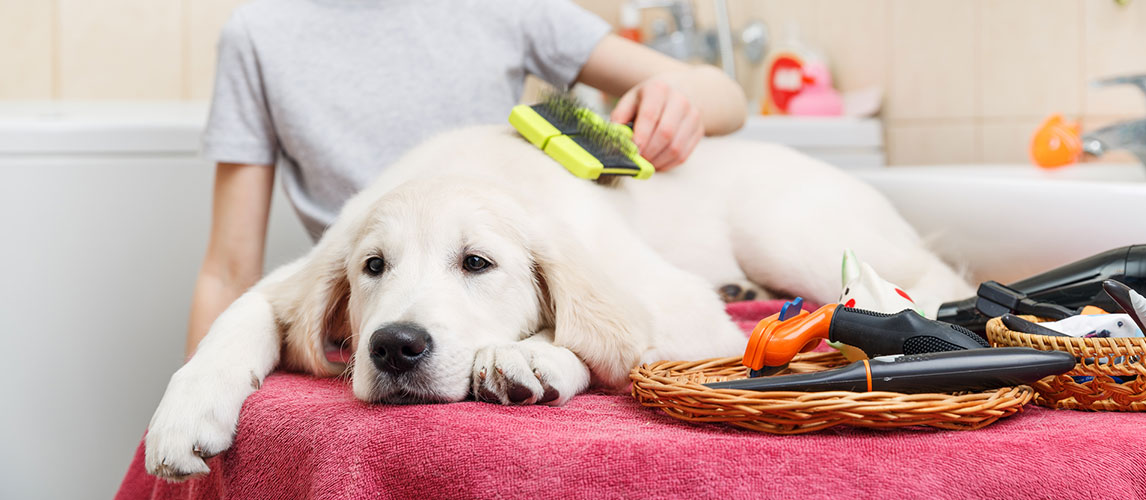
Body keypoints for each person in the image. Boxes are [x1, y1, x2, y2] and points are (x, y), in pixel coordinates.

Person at [185, 0, 748, 356]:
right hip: (377, 312)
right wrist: (191, 397)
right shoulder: (258, 32)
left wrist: (680, 102)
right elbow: (229, 270)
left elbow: (726, 98)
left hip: (488, 298)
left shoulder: (507, 8)